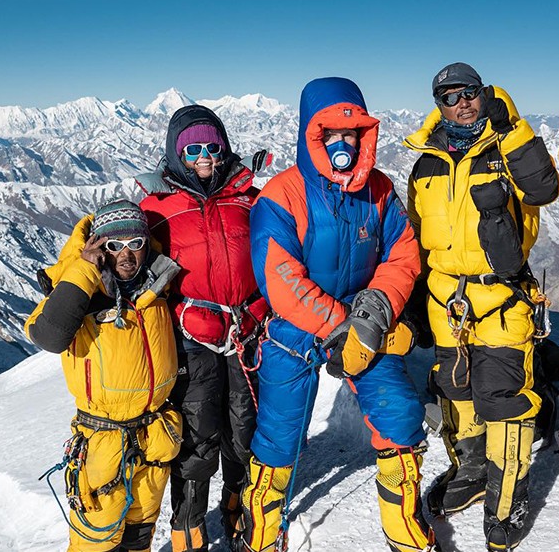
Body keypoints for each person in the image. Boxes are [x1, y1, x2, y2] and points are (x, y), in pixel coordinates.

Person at [236, 77, 436, 552]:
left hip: (366, 320)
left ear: (364, 136)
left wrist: (377, 307)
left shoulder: (381, 190)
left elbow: (403, 255)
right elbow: (280, 278)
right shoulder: (282, 196)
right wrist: (339, 324)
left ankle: (404, 525)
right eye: (331, 133)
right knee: (280, 433)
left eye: (352, 134)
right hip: (299, 326)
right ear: (312, 134)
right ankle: (261, 531)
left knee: (400, 414)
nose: (342, 143)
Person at [403, 63, 559, 551]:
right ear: (438, 105)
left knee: (505, 401)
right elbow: (415, 233)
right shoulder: (426, 162)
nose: (461, 103)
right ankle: (470, 470)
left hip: (503, 294)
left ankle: (507, 498)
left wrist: (510, 127)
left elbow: (544, 189)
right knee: (457, 389)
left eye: (469, 93)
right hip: (445, 299)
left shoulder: (507, 145)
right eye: (449, 97)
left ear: (483, 94)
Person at [131, 104, 269, 552]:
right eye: (192, 150)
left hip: (247, 332)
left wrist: (264, 306)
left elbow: (277, 256)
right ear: (176, 155)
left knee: (244, 426)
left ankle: (238, 506)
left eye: (213, 146)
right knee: (197, 432)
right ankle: (188, 528)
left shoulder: (249, 197)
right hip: (190, 337)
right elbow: (128, 262)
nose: (205, 156)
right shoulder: (155, 211)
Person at [25, 200, 183, 552]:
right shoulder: (82, 295)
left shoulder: (158, 286)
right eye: (114, 246)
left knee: (140, 536)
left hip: (154, 436)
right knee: (96, 543)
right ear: (99, 248)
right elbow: (49, 336)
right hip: (103, 444)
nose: (126, 255)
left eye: (135, 244)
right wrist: (84, 269)